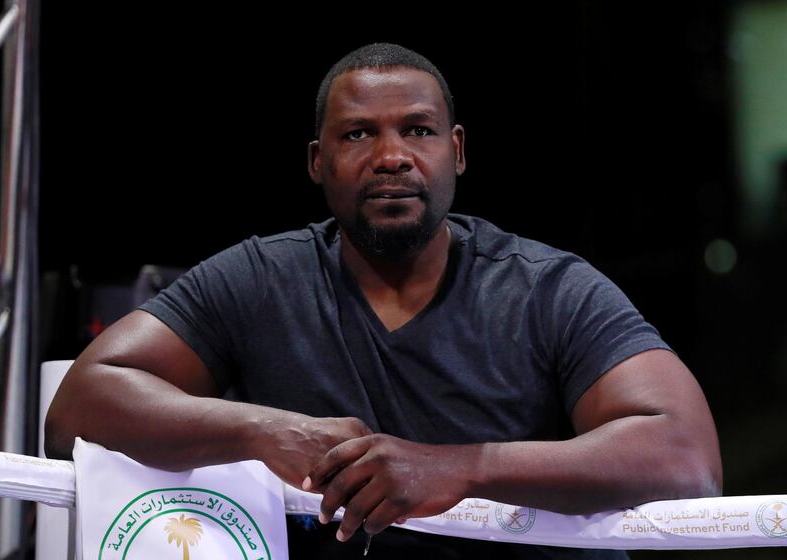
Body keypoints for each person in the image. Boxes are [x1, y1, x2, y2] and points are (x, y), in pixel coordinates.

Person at [45, 43, 722, 559]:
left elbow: (687, 458)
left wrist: (458, 467)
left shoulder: (547, 289)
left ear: (456, 151)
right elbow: (80, 404)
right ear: (318, 160)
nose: (392, 156)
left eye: (419, 131)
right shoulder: (260, 277)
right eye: (358, 134)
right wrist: (265, 432)